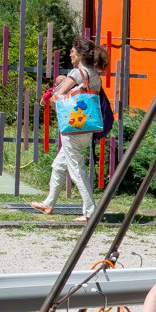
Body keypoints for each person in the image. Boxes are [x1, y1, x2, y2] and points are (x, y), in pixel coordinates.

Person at [30, 36, 106, 223]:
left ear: (80, 55)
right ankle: (48, 204)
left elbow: (58, 96)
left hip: (72, 129)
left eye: (72, 51)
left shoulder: (77, 73)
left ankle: (91, 212)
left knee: (77, 171)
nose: (70, 54)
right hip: (86, 127)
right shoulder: (94, 75)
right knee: (58, 165)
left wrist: (50, 97)